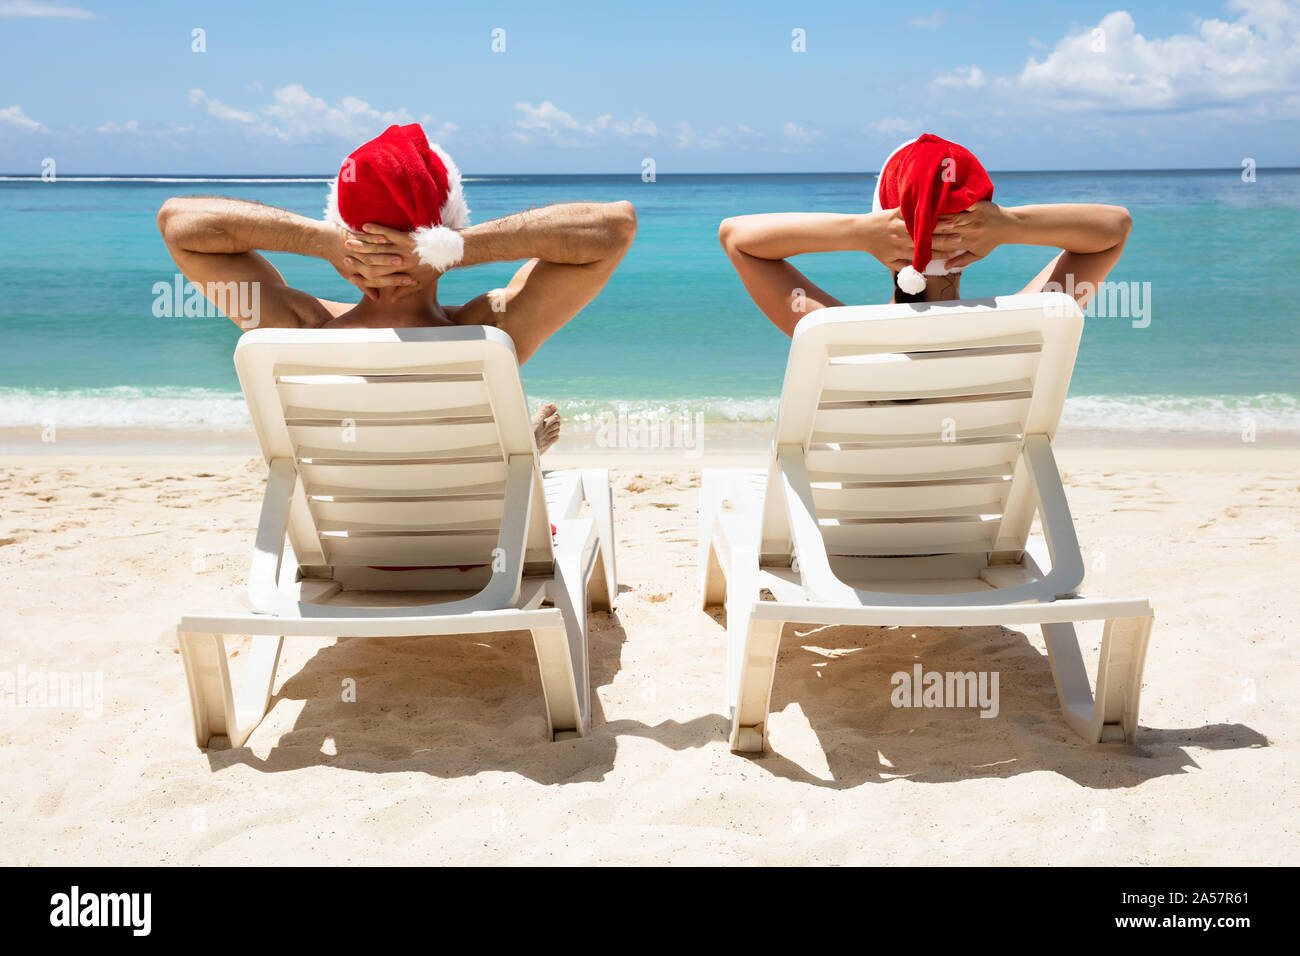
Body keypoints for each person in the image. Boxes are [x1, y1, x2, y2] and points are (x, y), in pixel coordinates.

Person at [157, 123, 637, 452]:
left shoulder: (299, 330)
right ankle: (518, 449)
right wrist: (458, 247)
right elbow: (614, 227)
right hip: (476, 555)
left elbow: (179, 222)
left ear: (342, 224)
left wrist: (320, 241)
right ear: (446, 227)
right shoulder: (490, 331)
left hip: (343, 547)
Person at [718, 133, 1131, 336]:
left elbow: (737, 237)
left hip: (862, 506)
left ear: (883, 220)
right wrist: (1009, 226)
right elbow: (1113, 228)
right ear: (979, 232)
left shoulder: (836, 336)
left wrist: (860, 233)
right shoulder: (1029, 325)